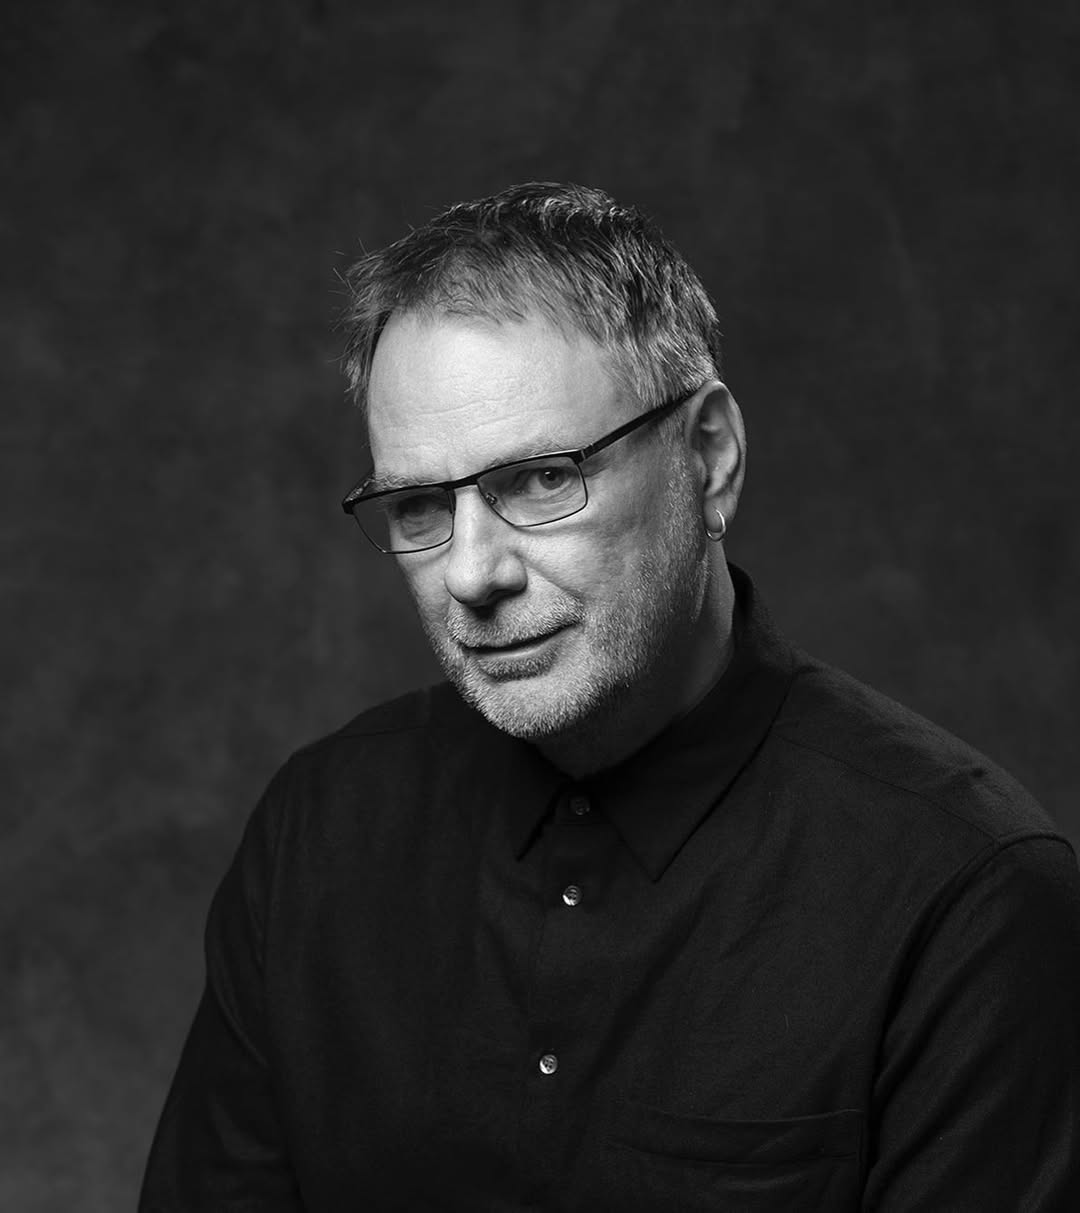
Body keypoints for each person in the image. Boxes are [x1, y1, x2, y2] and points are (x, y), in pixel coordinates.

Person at [139, 182, 1080, 1211]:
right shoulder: (317, 831)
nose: (472, 573)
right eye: (420, 504)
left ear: (709, 459)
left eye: (543, 479)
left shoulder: (969, 895)